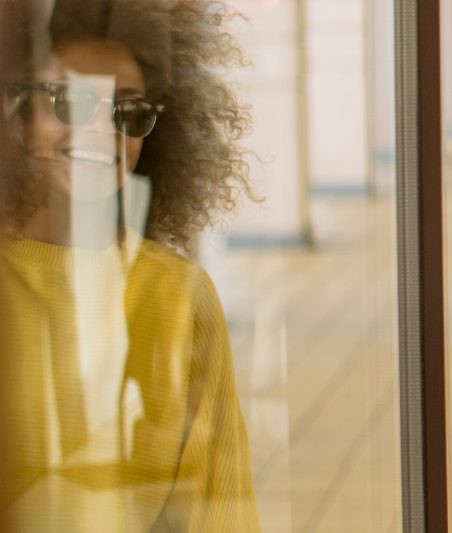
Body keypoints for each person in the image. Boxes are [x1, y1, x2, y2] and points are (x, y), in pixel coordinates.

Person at [0, 0, 259, 530]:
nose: (103, 131)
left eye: (129, 111)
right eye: (71, 101)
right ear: (13, 109)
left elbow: (221, 508)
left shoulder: (179, 295)